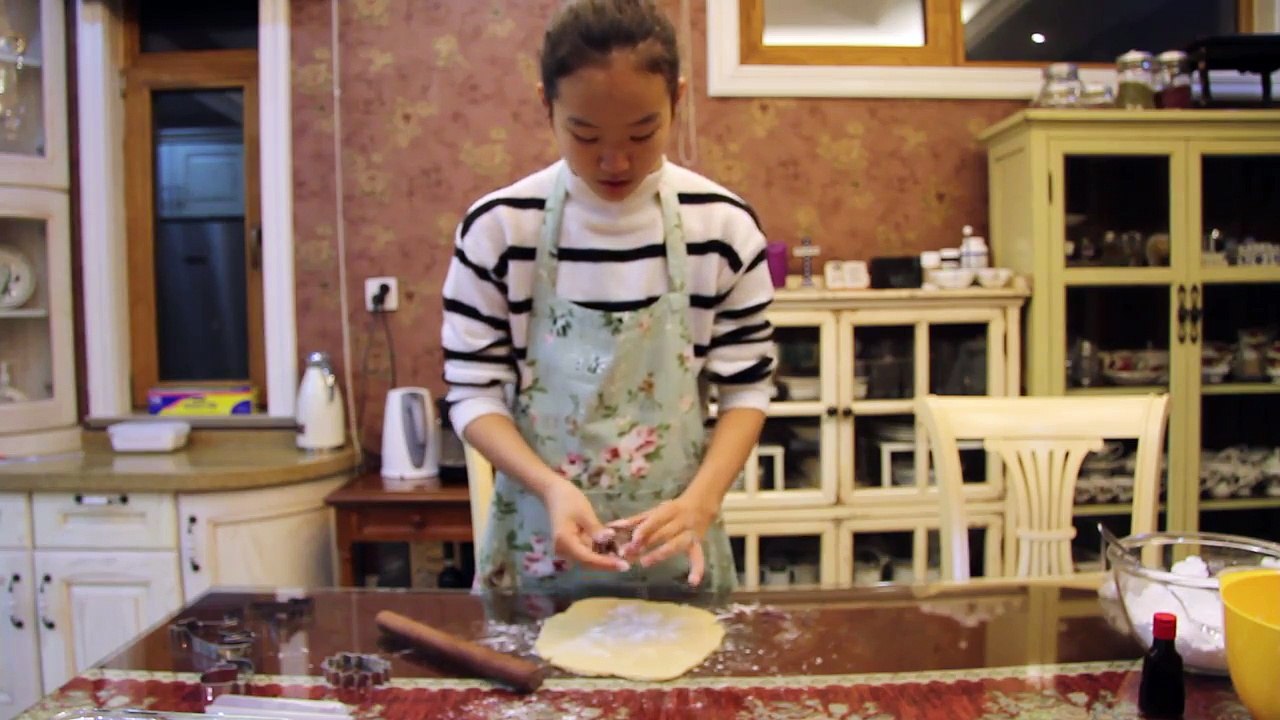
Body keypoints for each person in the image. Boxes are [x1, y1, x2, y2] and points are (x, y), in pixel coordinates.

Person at [441, 0, 775, 594]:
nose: (615, 161)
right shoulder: (499, 230)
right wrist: (551, 487)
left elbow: (747, 386)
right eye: (585, 134)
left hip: (675, 545)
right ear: (546, 104)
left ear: (678, 97)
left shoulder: (721, 228)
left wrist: (702, 500)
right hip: (540, 548)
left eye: (643, 133)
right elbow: (471, 392)